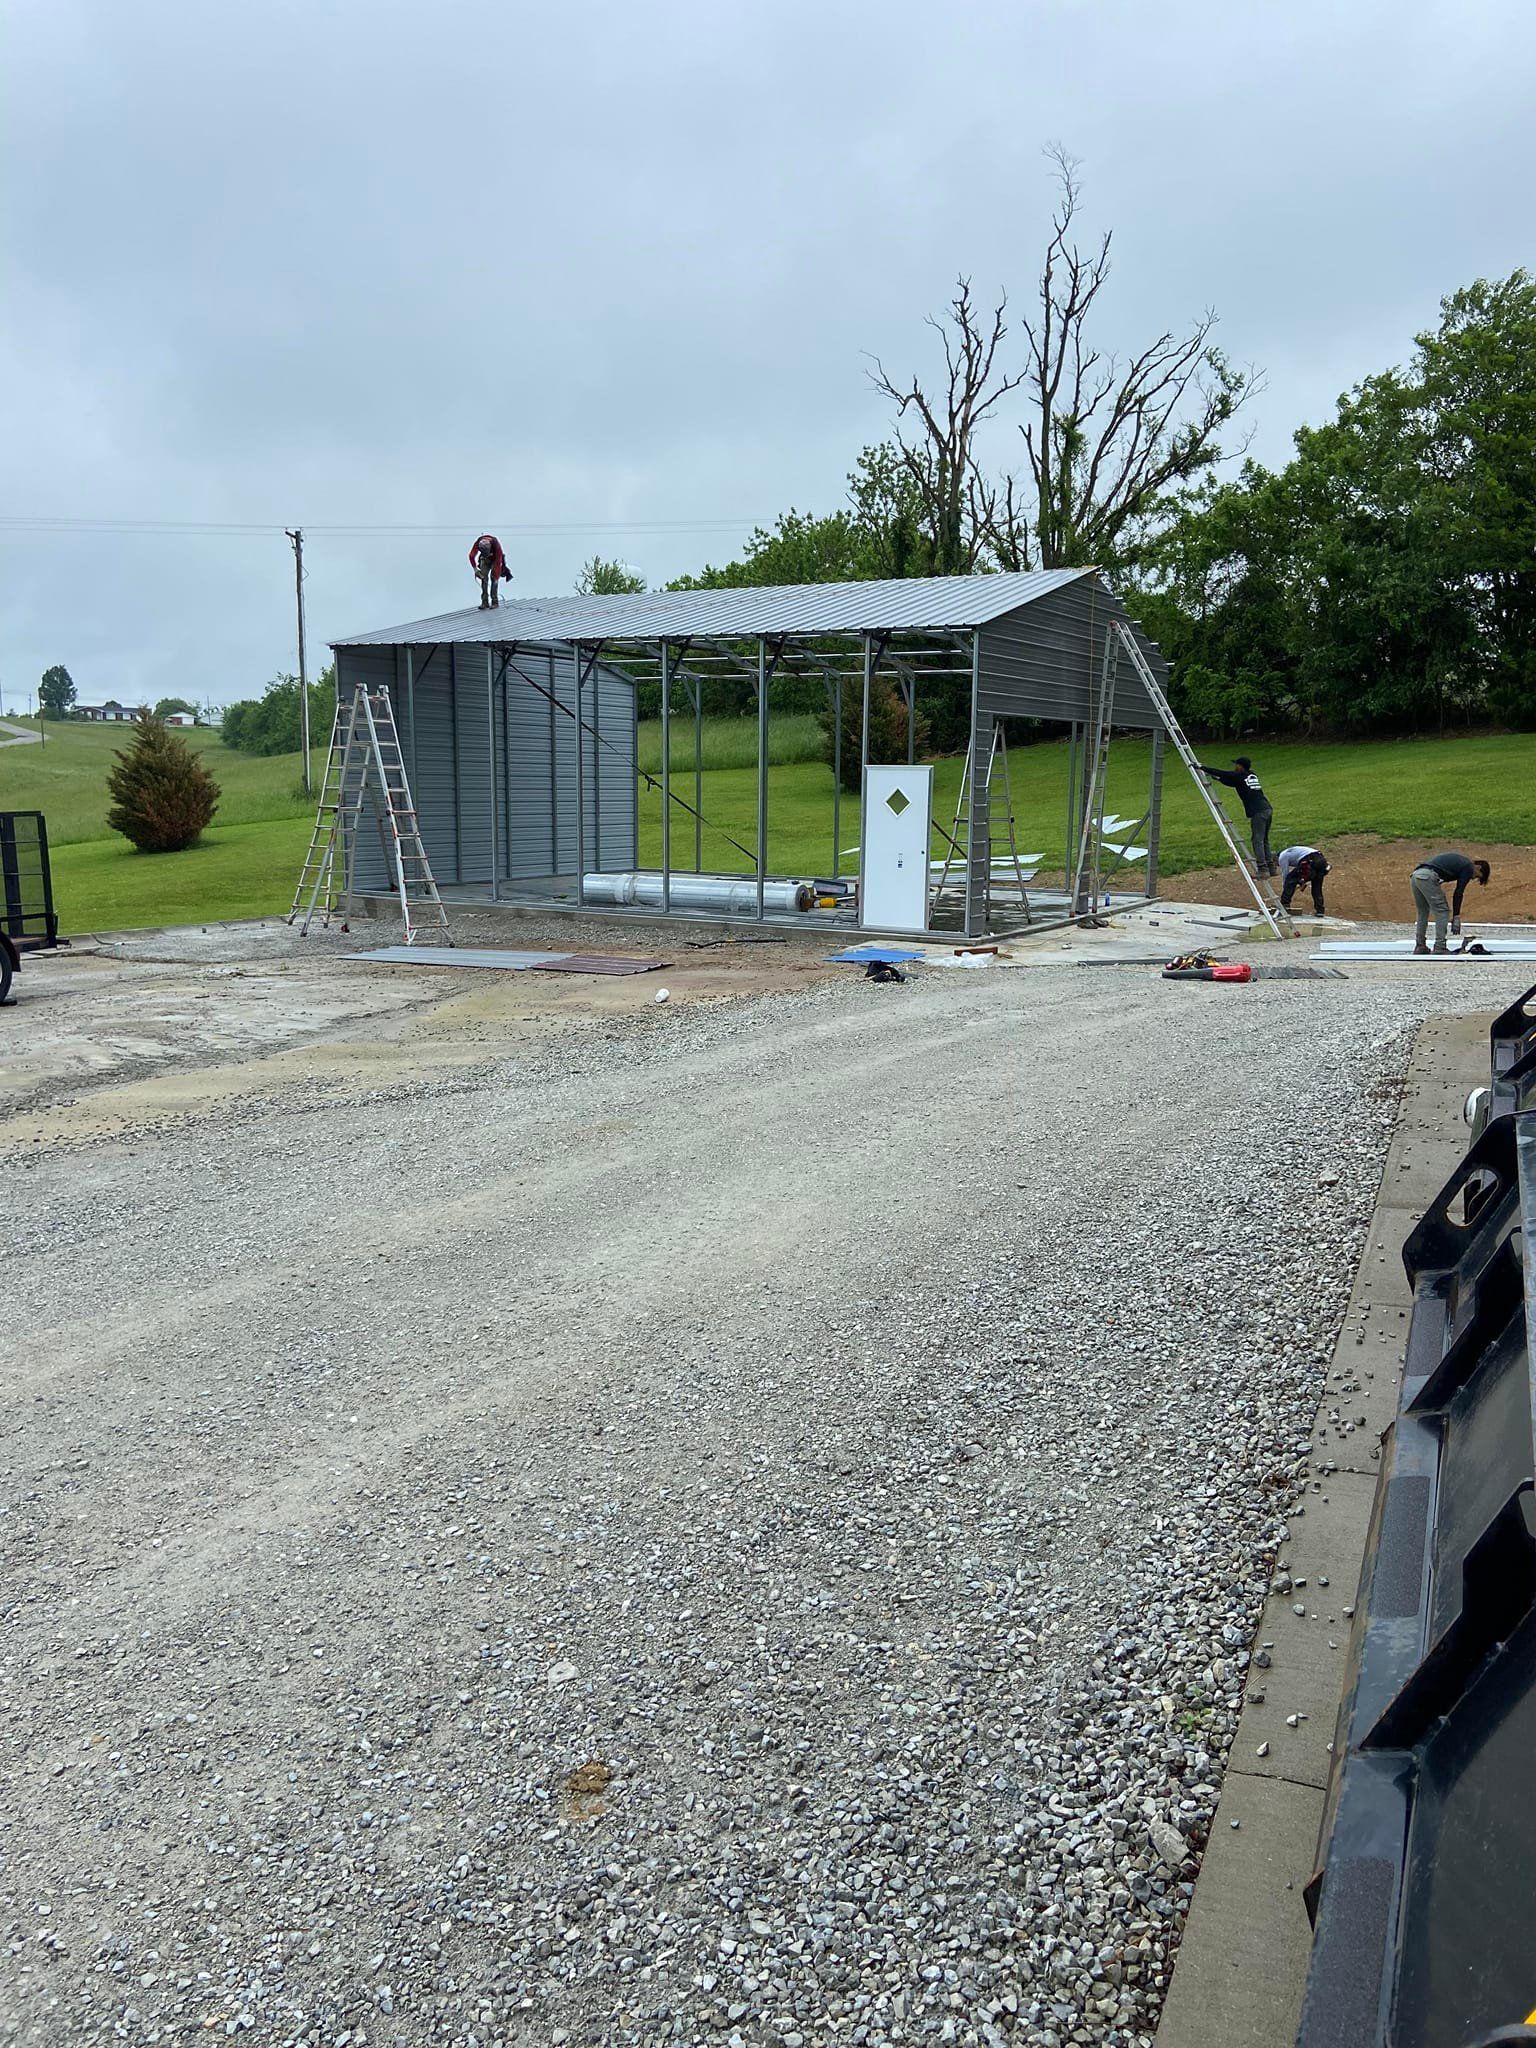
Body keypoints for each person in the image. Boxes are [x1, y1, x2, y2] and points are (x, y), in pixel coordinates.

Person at [1197, 755, 1277, 876]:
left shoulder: (1239, 776)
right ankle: (1271, 867)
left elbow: (1224, 773)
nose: (1235, 767)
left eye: (1237, 765)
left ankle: (1262, 869)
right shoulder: (1251, 775)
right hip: (1267, 808)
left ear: (1241, 766)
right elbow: (1231, 782)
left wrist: (1202, 768)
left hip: (1258, 812)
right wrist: (1218, 778)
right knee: (1264, 839)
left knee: (1257, 840)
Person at [1409, 852, 1491, 954]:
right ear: (1478, 867)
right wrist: (1456, 916)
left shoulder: (1461, 863)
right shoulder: (1468, 867)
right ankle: (1440, 947)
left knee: (1423, 911)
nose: (1473, 878)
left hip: (1415, 875)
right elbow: (1458, 892)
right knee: (1442, 911)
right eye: (1477, 876)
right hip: (1428, 876)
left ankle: (1420, 946)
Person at [1277, 844, 1330, 916]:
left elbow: (1285, 875)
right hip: (1321, 860)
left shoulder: (1282, 856)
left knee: (1290, 879)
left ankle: (1284, 904)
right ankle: (1320, 910)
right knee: (1317, 887)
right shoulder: (1294, 853)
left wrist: (1286, 887)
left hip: (1310, 859)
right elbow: (1304, 873)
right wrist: (1302, 881)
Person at [469, 534, 511, 609]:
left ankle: (495, 602)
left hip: (495, 560)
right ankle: (484, 602)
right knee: (483, 578)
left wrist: (496, 574)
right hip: (484, 560)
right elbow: (471, 556)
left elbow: (498, 561)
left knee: (494, 580)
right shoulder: (478, 543)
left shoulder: (496, 546)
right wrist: (475, 570)